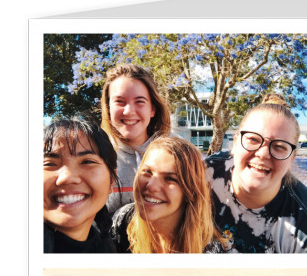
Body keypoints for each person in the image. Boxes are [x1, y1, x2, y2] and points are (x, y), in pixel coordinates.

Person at [206, 94, 307, 253]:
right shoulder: (203, 174)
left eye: (279, 146)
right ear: (235, 143)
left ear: (292, 158)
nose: (263, 154)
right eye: (253, 140)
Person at [111, 137, 226, 253]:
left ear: (190, 191)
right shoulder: (122, 221)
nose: (152, 185)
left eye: (170, 178)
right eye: (147, 172)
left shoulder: (210, 251)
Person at [101, 63, 171, 214]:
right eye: (119, 101)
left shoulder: (176, 153)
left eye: (139, 101)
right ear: (108, 108)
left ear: (152, 109)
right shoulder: (95, 156)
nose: (129, 111)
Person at [43, 116, 118, 253]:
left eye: (87, 162)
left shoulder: (107, 248)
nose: (67, 178)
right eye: (49, 164)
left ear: (112, 180)